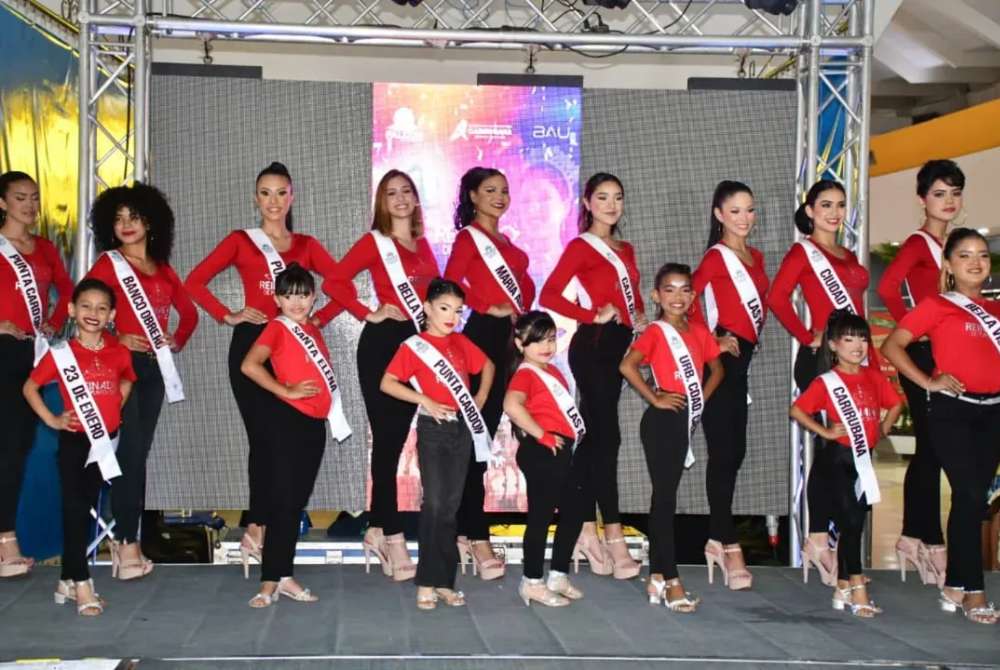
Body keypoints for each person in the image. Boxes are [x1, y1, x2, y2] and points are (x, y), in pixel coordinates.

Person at [185, 162, 341, 569]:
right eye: (265, 193)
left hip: (296, 352)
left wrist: (320, 318)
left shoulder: (306, 244)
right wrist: (228, 314)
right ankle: (257, 525)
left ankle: (271, 523)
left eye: (281, 193)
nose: (273, 201)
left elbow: (341, 282)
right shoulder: (241, 240)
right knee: (264, 440)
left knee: (287, 443)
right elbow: (195, 281)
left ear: (292, 196)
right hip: (254, 346)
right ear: (256, 198)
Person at [323, 169, 438, 582]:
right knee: (387, 443)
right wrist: (366, 312)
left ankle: (376, 527)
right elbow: (335, 282)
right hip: (382, 344)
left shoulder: (423, 245)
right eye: (392, 193)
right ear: (382, 202)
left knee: (398, 438)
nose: (401, 198)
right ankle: (391, 534)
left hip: (415, 346)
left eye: (407, 190)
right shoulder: (376, 242)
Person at [882, 228, 1000, 625]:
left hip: (994, 414)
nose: (975, 262)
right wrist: (928, 380)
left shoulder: (998, 311)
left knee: (973, 499)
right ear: (949, 265)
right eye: (965, 255)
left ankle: (954, 583)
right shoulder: (936, 305)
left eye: (982, 255)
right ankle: (974, 591)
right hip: (952, 412)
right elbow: (893, 345)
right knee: (968, 493)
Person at [85, 182, 199, 580]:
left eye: (134, 217)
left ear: (151, 221)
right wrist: (116, 337)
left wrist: (175, 339)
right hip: (119, 367)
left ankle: (124, 539)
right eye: (118, 219)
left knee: (136, 453)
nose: (126, 225)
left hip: (153, 370)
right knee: (129, 453)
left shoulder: (164, 269)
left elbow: (189, 315)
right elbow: (86, 313)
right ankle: (127, 542)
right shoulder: (107, 265)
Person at [539, 172, 645, 579]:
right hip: (593, 346)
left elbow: (629, 296)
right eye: (602, 197)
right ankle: (611, 536)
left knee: (598, 443)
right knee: (607, 438)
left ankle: (583, 527)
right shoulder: (581, 247)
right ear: (587, 203)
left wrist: (637, 316)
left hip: (619, 347)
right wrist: (590, 314)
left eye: (617, 197)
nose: (611, 205)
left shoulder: (627, 248)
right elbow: (549, 294)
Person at [766, 179, 871, 584]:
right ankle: (818, 538)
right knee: (832, 450)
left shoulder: (847, 253)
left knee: (842, 453)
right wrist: (805, 334)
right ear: (809, 210)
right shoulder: (803, 251)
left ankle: (826, 543)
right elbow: (778, 297)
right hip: (822, 362)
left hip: (855, 361)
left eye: (841, 205)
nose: (834, 212)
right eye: (825, 205)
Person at [23, 279, 136, 616]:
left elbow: (127, 378)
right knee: (74, 512)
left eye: (102, 308)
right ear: (71, 310)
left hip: (104, 442)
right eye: (86, 306)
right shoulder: (61, 354)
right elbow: (30, 387)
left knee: (84, 510)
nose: (93, 313)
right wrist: (53, 420)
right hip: (74, 442)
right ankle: (83, 585)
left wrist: (118, 403)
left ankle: (65, 579)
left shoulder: (119, 351)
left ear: (112, 315)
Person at [876, 159, 965, 587]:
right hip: (922, 357)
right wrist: (912, 330)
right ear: (922, 198)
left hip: (947, 356)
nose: (948, 202)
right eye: (939, 193)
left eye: (954, 193)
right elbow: (887, 287)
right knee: (932, 446)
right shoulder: (917, 244)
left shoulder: (952, 246)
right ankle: (926, 538)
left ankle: (916, 536)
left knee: (934, 447)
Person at [380, 278, 495, 610]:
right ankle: (426, 582)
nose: (451, 317)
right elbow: (387, 383)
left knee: (450, 507)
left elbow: (486, 365)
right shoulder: (414, 346)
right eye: (444, 308)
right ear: (427, 308)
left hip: (461, 429)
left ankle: (444, 581)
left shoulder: (461, 342)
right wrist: (424, 400)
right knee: (433, 505)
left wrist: (482, 395)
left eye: (458, 311)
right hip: (432, 429)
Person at [445, 166, 536, 581]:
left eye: (504, 190)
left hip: (509, 339)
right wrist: (483, 305)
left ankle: (467, 530)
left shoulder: (507, 243)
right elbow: (449, 286)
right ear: (473, 197)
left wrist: (516, 303)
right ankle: (475, 535)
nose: (499, 196)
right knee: (475, 435)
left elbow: (525, 289)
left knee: (484, 433)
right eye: (489, 190)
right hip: (483, 336)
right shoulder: (469, 238)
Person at [240, 263, 349, 607]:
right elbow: (249, 365)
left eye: (303, 295)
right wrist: (283, 390)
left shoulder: (314, 331)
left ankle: (283, 575)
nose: (296, 302)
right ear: (277, 299)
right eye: (288, 296)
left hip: (313, 427)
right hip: (286, 422)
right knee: (283, 503)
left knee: (294, 504)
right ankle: (271, 581)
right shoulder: (276, 328)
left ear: (313, 297)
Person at [620, 263, 724, 613]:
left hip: (684, 418)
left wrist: (700, 401)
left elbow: (717, 369)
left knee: (665, 500)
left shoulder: (699, 330)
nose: (677, 297)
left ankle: (657, 577)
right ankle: (673, 579)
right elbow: (627, 366)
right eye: (669, 289)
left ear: (693, 296)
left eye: (684, 290)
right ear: (656, 295)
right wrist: (655, 396)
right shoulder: (655, 332)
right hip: (661, 422)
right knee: (664, 499)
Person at [791, 310, 902, 618]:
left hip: (862, 461)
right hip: (837, 459)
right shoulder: (826, 382)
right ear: (834, 345)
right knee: (850, 524)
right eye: (849, 339)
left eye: (863, 339)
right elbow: (798, 410)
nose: (858, 345)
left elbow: (895, 403)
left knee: (857, 524)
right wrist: (825, 431)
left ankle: (842, 586)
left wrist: (883, 429)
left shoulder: (873, 376)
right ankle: (857, 588)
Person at [693, 180, 769, 591]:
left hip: (743, 365)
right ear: (719, 215)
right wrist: (713, 341)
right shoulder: (715, 258)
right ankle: (727, 541)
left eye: (750, 210)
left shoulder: (755, 257)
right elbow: (685, 304)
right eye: (735, 211)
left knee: (733, 452)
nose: (744, 218)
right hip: (720, 365)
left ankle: (716, 536)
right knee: (724, 453)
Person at [0, 171, 74, 578]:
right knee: (9, 447)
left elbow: (66, 291)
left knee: (23, 445)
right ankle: (5, 539)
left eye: (33, 198)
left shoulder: (44, 247)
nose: (29, 205)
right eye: (19, 198)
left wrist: (53, 320)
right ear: (2, 203)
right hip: (2, 352)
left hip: (35, 351)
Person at [503, 310, 585, 607]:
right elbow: (512, 405)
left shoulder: (554, 371)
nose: (546, 346)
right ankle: (532, 581)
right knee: (541, 516)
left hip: (560, 449)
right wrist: (542, 435)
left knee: (575, 510)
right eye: (537, 340)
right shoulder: (525, 373)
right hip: (543, 450)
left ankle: (558, 574)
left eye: (550, 339)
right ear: (520, 343)